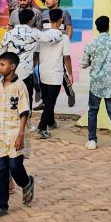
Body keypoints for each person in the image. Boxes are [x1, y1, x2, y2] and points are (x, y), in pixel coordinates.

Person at [0, 52, 36, 219]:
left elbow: (25, 111)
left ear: (12, 67)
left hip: (14, 132)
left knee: (15, 166)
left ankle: (26, 183)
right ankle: (1, 206)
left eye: (2, 65)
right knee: (1, 169)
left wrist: (21, 135)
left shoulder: (20, 86)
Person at [76, 16, 111, 155]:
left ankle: (92, 140)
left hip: (96, 83)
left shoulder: (92, 43)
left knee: (93, 111)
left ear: (96, 27)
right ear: (108, 26)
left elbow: (83, 64)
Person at [0, 9, 63, 104]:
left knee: (12, 100)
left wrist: (4, 66)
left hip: (11, 72)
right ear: (31, 20)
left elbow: (0, 51)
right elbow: (49, 38)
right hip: (26, 73)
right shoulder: (33, 33)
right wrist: (60, 33)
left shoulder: (9, 34)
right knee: (26, 100)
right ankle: (25, 117)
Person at [35, 8, 73, 138]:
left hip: (43, 72)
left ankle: (51, 122)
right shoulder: (63, 38)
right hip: (55, 74)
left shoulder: (43, 36)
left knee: (47, 100)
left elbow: (36, 54)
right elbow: (67, 58)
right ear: (61, 19)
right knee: (50, 102)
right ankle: (42, 127)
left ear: (49, 19)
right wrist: (70, 74)